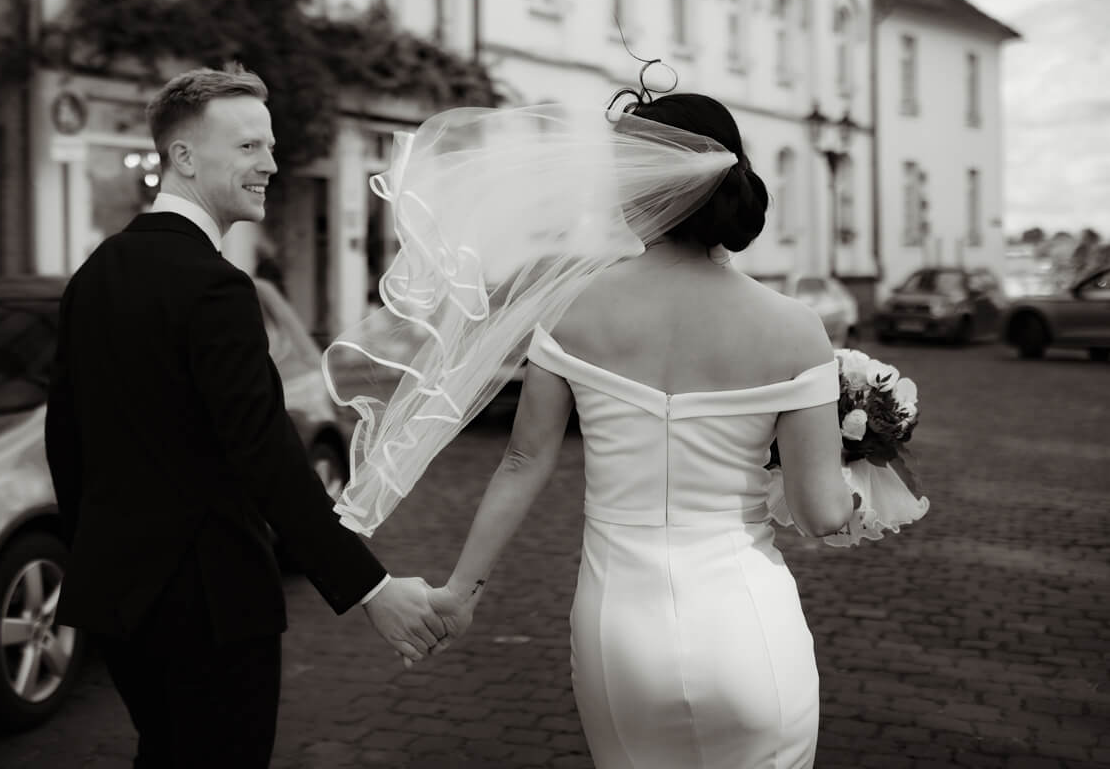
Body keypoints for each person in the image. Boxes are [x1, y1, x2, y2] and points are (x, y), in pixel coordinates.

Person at [416, 94, 862, 768]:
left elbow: (521, 462)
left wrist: (459, 592)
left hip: (617, 630)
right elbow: (821, 512)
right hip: (746, 628)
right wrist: (866, 483)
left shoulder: (570, 310)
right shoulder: (795, 328)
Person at [45, 65, 446, 768]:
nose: (271, 162)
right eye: (249, 147)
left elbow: (67, 445)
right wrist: (371, 589)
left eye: (268, 144)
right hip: (211, 606)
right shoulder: (215, 287)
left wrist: (101, 557)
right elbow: (266, 458)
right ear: (184, 157)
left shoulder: (95, 272)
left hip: (118, 599)